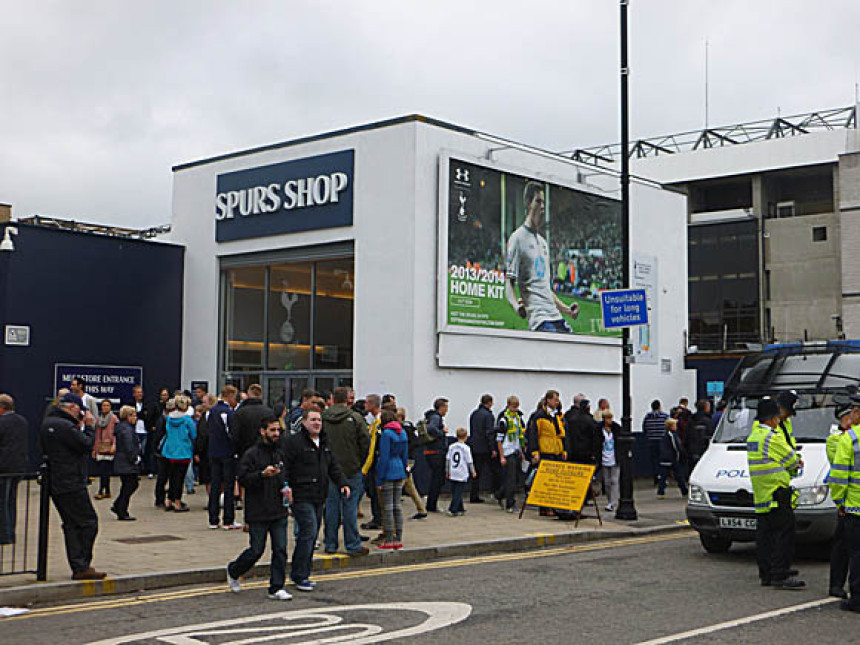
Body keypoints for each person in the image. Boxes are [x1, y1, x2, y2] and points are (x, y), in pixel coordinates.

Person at [282, 409, 349, 592]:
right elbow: (285, 466)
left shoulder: (325, 442)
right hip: (301, 495)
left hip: (319, 495)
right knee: (308, 532)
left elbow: (333, 465)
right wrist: (286, 486)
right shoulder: (294, 443)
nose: (317, 423)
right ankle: (300, 575)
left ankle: (301, 573)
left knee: (311, 535)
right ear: (303, 422)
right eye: (312, 420)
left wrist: (342, 483)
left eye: (319, 420)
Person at [40, 392, 105, 580]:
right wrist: (90, 427)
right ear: (73, 407)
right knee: (88, 522)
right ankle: (81, 565)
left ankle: (78, 565)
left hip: (56, 480)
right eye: (80, 410)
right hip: (71, 480)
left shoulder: (48, 422)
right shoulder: (66, 426)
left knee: (71, 524)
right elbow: (86, 444)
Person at [226, 416, 292, 601]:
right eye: (272, 430)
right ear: (263, 432)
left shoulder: (280, 452)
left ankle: (277, 587)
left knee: (280, 549)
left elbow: (286, 475)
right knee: (256, 549)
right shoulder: (252, 454)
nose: (276, 434)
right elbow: (243, 478)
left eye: (278, 430)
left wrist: (288, 488)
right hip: (258, 509)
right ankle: (234, 569)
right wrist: (261, 475)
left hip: (278, 508)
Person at [504, 181, 579, 333]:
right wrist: (517, 306)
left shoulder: (543, 243)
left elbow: (546, 289)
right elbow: (509, 283)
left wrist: (567, 310)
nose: (542, 206)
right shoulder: (518, 238)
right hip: (540, 320)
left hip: (556, 317)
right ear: (528, 203)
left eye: (543, 202)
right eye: (538, 201)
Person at [747, 398, 804, 590]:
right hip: (777, 490)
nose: (778, 421)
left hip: (762, 492)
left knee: (764, 535)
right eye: (777, 418)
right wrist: (797, 463)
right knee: (783, 533)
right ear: (772, 419)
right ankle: (780, 573)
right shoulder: (772, 437)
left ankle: (767, 573)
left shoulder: (754, 436)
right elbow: (791, 459)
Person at [322, 387, 370, 556]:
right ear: (347, 399)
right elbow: (365, 444)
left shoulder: (323, 418)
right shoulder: (356, 418)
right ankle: (352, 544)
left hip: (328, 469)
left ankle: (330, 543)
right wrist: (358, 462)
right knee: (350, 507)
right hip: (351, 468)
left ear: (332, 399)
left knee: (331, 507)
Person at [829, 395, 860, 611]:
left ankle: (857, 600)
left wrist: (839, 502)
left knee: (857, 554)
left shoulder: (850, 439)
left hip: (855, 507)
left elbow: (839, 477)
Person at [826, 402, 852, 600]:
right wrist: (839, 502)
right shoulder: (837, 440)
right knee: (842, 546)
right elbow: (839, 471)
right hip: (849, 501)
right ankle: (836, 584)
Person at [209, 385, 241, 530]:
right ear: (230, 396)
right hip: (227, 453)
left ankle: (213, 519)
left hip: (213, 452)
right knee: (228, 486)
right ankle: (228, 520)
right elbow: (231, 433)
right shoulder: (227, 413)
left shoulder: (211, 411)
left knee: (215, 485)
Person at [376, 409, 409, 548]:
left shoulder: (386, 434)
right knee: (397, 506)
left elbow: (384, 457)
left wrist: (379, 479)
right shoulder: (402, 432)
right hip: (400, 469)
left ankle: (389, 539)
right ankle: (399, 537)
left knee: (388, 507)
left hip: (389, 470)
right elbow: (405, 455)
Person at [0, 394, 29, 544]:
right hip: (18, 466)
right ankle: (11, 532)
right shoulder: (22, 421)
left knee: (2, 502)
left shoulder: (2, 422)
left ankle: (3, 535)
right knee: (11, 500)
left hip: (3, 467)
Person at [162, 395, 197, 512]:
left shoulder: (169, 419)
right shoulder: (187, 420)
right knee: (180, 478)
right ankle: (177, 502)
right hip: (183, 451)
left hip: (169, 451)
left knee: (172, 477)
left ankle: (168, 500)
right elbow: (193, 435)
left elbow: (167, 431)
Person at [111, 406, 141, 521]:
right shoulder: (127, 429)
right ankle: (121, 509)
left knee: (127, 485)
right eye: (133, 415)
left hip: (122, 461)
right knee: (130, 485)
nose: (135, 418)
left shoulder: (122, 427)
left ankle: (118, 505)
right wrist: (134, 458)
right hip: (126, 462)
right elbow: (129, 445)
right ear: (128, 416)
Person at [396, 407, 427, 520]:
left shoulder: (402, 430)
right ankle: (421, 509)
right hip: (409, 460)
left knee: (399, 485)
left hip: (405, 460)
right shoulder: (409, 429)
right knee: (410, 486)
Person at [230, 384, 273, 460]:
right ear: (261, 395)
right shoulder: (269, 412)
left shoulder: (240, 413)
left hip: (244, 452)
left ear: (248, 395)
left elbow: (234, 435)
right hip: (265, 452)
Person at [360, 394, 383, 532]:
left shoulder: (378, 421)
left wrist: (366, 467)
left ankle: (378, 519)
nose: (364, 405)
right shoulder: (372, 420)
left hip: (375, 463)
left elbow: (373, 445)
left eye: (367, 403)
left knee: (375, 492)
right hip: (374, 462)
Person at [468, 394, 498, 504]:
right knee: (494, 470)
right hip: (485, 447)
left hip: (474, 446)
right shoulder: (488, 415)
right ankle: (496, 492)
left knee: (476, 472)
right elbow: (489, 433)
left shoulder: (474, 414)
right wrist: (493, 448)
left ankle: (473, 494)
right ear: (489, 403)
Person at [423, 397, 449, 513]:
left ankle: (431, 504)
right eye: (446, 407)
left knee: (436, 478)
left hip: (431, 452)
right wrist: (442, 433)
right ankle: (432, 505)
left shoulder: (432, 417)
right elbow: (431, 428)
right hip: (436, 452)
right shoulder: (436, 417)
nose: (446, 410)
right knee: (437, 479)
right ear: (441, 407)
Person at [447, 427, 476, 517]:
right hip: (461, 472)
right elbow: (469, 461)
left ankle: (460, 507)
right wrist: (473, 471)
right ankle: (453, 509)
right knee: (458, 492)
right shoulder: (466, 448)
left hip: (453, 470)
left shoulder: (451, 447)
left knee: (455, 489)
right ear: (466, 437)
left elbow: (448, 459)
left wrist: (447, 470)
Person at [657, 418, 688, 499]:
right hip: (672, 458)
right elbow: (676, 446)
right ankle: (684, 490)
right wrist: (683, 453)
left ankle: (660, 492)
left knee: (663, 476)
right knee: (679, 475)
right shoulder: (672, 435)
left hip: (663, 458)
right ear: (672, 426)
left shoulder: (664, 435)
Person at [93, 400, 118, 500]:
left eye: (107, 405)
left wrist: (114, 445)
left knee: (105, 470)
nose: (105, 407)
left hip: (109, 447)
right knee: (102, 470)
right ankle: (107, 491)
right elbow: (97, 435)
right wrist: (95, 448)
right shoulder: (99, 419)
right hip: (100, 447)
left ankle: (101, 490)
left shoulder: (114, 419)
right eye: (104, 405)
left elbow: (116, 434)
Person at [598, 409, 621, 512]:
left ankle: (613, 502)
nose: (610, 420)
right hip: (604, 457)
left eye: (611, 418)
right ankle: (609, 500)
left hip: (614, 457)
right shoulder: (599, 429)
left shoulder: (616, 428)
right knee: (606, 482)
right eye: (608, 418)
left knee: (614, 480)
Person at [128, 386, 154, 475]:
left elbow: (147, 416)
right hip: (135, 431)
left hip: (145, 431)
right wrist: (140, 415)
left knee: (145, 451)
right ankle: (136, 470)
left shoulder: (146, 404)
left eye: (141, 392)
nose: (140, 394)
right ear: (134, 394)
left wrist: (140, 415)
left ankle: (148, 470)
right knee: (136, 451)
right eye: (138, 392)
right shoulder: (130, 404)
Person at [642, 400, 669, 486]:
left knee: (654, 461)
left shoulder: (647, 417)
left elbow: (644, 429)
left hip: (651, 441)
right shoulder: (665, 416)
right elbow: (669, 427)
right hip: (662, 442)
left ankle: (656, 478)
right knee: (663, 461)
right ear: (659, 406)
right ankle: (663, 479)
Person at [685, 399, 713, 477]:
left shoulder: (691, 419)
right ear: (706, 408)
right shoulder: (708, 421)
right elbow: (711, 434)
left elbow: (686, 435)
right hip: (704, 449)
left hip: (692, 449)